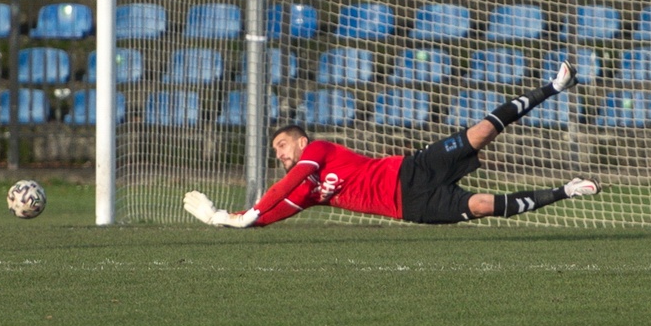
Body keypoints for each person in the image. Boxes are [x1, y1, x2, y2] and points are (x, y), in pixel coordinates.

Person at [184, 59, 600, 228]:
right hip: (411, 207)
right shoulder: (307, 192)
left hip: (410, 168)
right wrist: (225, 217)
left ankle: (555, 85)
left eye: (281, 144)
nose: (278, 153)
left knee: (480, 132)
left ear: (301, 141)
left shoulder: (316, 152)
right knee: (484, 205)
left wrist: (241, 215)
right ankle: (566, 190)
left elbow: (279, 191)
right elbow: (275, 209)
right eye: (276, 150)